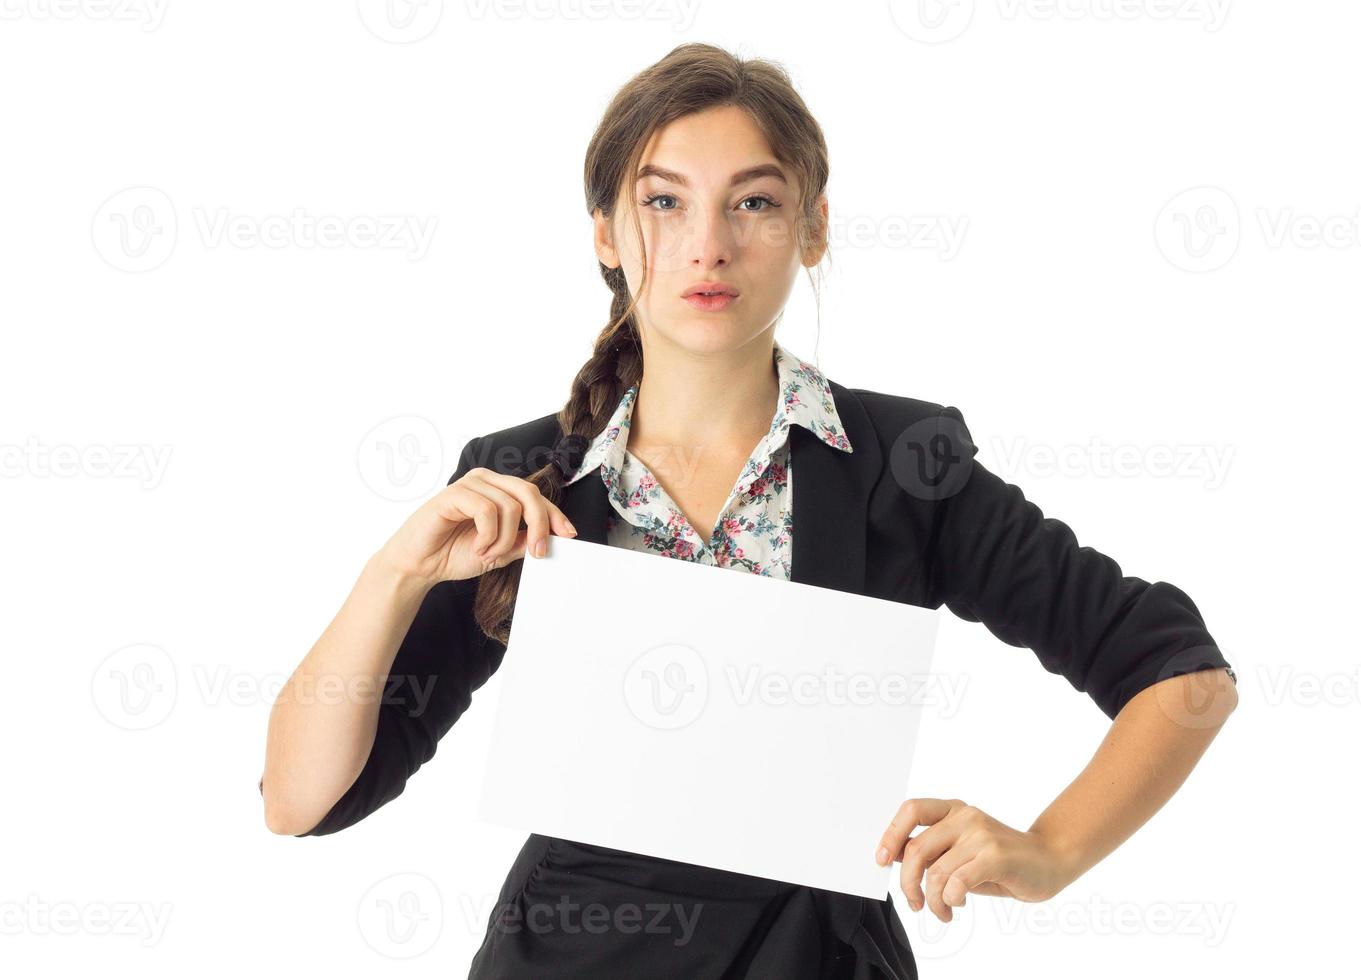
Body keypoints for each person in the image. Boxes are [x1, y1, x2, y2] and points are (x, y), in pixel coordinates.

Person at [259, 42, 1239, 979]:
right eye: (663, 202)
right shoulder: (520, 478)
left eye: (755, 202)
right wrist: (394, 572)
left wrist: (1049, 851)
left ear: (812, 227)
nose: (709, 244)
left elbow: (1179, 671)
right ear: (604, 232)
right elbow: (301, 801)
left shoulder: (903, 465)